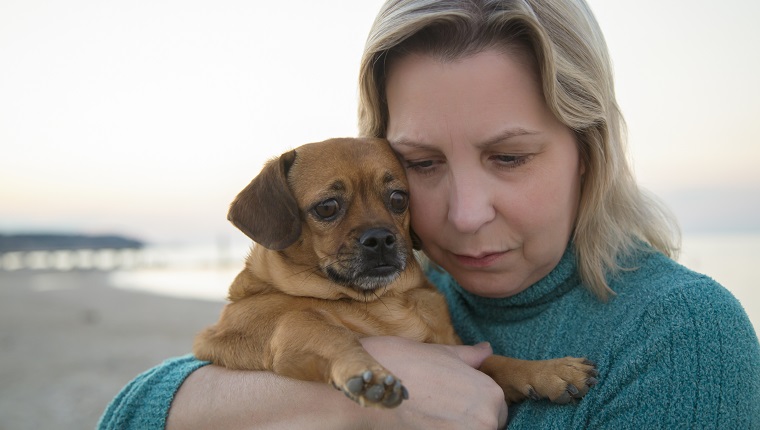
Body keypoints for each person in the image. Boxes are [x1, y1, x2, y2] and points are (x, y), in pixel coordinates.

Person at [99, 0, 760, 428]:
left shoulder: (682, 335)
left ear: (588, 152)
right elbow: (124, 417)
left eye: (508, 157)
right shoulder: (408, 287)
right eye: (422, 164)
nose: (465, 215)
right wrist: (347, 405)